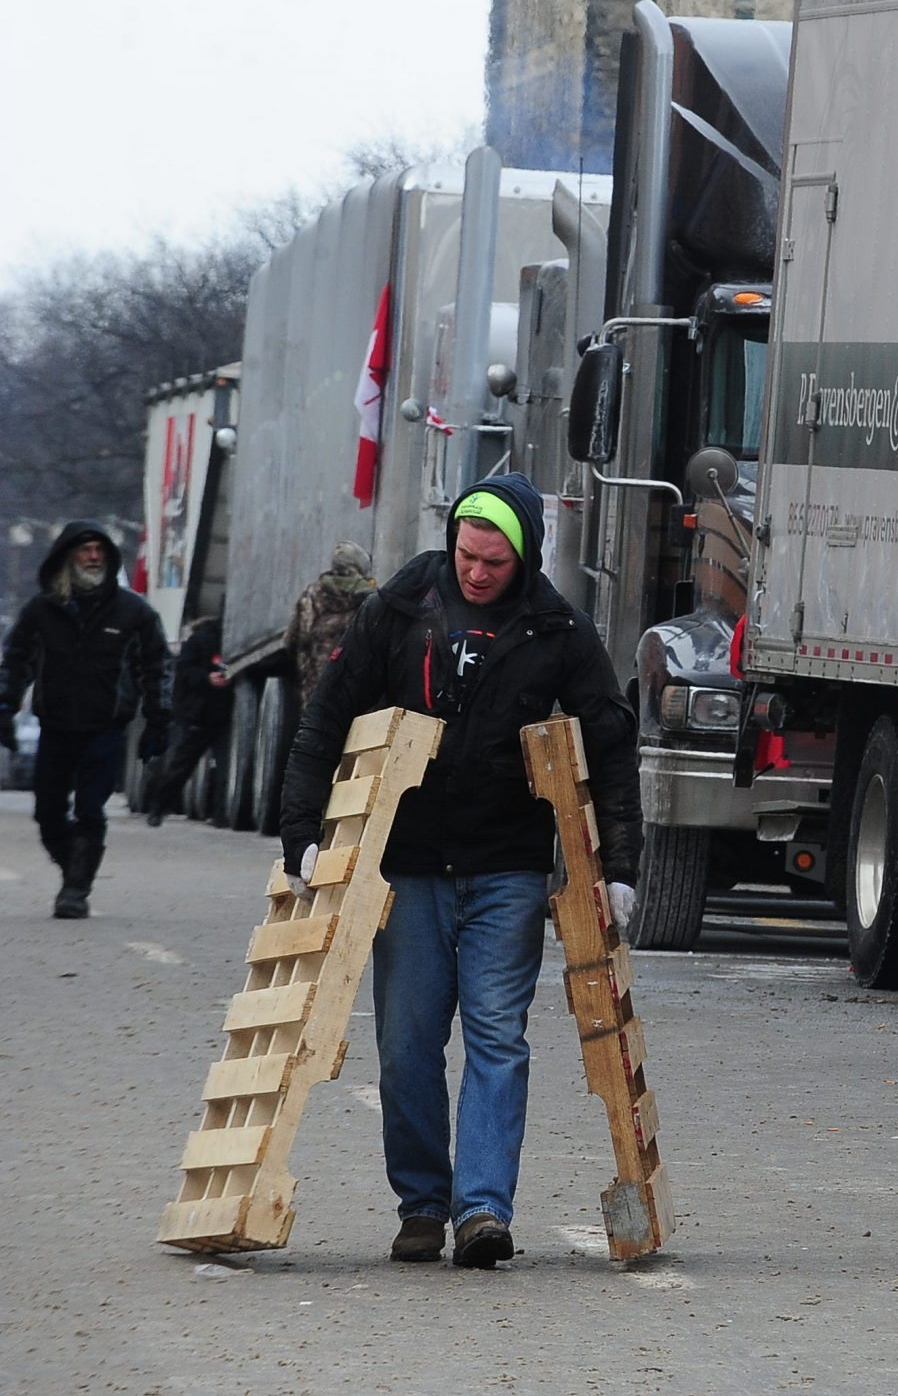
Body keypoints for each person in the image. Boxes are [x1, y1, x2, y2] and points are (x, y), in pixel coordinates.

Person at [277, 473, 640, 1270]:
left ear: (526, 557)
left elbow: (609, 747)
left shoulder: (558, 632)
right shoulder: (399, 614)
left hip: (506, 866)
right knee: (407, 1043)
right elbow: (325, 720)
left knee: (497, 1038)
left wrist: (620, 866)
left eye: (495, 562)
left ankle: (481, 1209)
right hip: (407, 866)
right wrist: (299, 834)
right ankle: (420, 1202)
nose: (476, 573)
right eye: (467, 556)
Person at [0, 522, 171, 917]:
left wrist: (159, 718)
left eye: (99, 550)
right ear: (67, 557)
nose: (93, 557)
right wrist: (5, 707)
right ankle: (72, 863)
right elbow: (16, 661)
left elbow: (157, 665)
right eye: (85, 550)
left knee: (91, 810)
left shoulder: (133, 612)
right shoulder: (42, 610)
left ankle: (76, 890)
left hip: (106, 727)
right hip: (56, 725)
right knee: (47, 811)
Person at [146, 617, 233, 826]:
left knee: (197, 765)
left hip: (208, 714)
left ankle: (160, 810)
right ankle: (159, 809)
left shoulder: (202, 640)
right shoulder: (202, 641)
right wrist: (208, 678)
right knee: (191, 765)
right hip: (204, 713)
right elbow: (187, 672)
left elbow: (184, 672)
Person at [285, 542, 375, 701]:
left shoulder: (312, 594)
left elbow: (291, 641)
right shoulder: (371, 599)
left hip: (317, 690)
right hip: (358, 691)